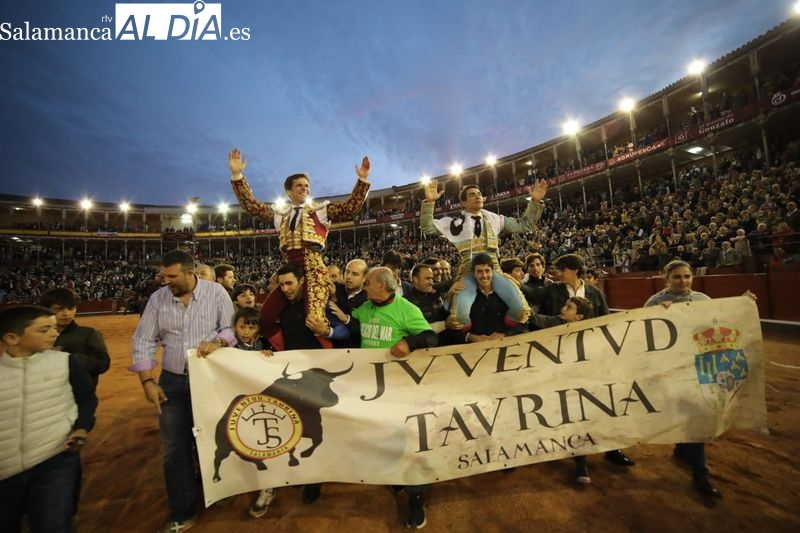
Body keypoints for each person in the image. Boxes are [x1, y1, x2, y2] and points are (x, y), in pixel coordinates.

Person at [130, 250, 236, 533]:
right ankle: (183, 509)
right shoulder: (157, 299)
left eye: (172, 276)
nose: (167, 282)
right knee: (174, 450)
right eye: (164, 276)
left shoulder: (216, 293)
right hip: (172, 382)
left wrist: (219, 342)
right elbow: (144, 339)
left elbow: (230, 329)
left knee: (216, 440)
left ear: (191, 273)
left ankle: (220, 490)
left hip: (211, 380)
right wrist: (147, 382)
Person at [228, 148, 370, 342]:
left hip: (314, 268)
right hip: (289, 270)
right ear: (288, 191)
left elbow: (351, 207)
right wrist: (237, 175)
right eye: (299, 186)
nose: (305, 189)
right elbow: (252, 206)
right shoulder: (280, 214)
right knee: (266, 318)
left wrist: (361, 181)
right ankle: (282, 352)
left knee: (316, 321)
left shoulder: (320, 211)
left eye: (306, 186)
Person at [643, 260, 757, 499]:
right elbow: (645, 335)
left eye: (687, 276)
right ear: (667, 279)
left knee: (695, 415)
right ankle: (700, 473)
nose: (683, 281)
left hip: (700, 368)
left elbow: (720, 322)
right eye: (677, 277)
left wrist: (742, 304)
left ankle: (686, 451)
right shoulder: (655, 302)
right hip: (673, 370)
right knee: (693, 416)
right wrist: (655, 315)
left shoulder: (703, 299)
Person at [528, 253, 635, 468]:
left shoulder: (594, 293)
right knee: (571, 404)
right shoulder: (554, 290)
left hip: (591, 355)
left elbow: (606, 322)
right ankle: (577, 454)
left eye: (563, 270)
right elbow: (531, 295)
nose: (558, 274)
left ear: (574, 270)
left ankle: (612, 448)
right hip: (562, 355)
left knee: (603, 402)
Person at [350, 267, 437, 528]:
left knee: (409, 442)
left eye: (368, 283)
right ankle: (399, 479)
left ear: (383, 286)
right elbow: (347, 324)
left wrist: (410, 343)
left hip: (402, 391)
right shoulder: (365, 308)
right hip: (373, 392)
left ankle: (416, 497)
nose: (364, 287)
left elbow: (431, 336)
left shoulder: (406, 308)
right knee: (385, 439)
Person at [0, 305, 97, 533]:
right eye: (44, 330)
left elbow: (86, 399)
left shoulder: (66, 362)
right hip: (5, 467)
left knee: (53, 525)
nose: (54, 334)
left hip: (55, 456)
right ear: (12, 338)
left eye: (53, 328)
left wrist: (81, 428)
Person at [260, 262, 348, 504]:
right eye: (281, 284)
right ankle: (305, 472)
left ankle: (316, 478)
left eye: (290, 283)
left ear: (302, 281)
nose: (286, 289)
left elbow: (344, 333)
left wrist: (327, 330)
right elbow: (272, 334)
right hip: (294, 378)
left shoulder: (318, 306)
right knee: (295, 425)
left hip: (318, 378)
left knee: (319, 427)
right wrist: (269, 351)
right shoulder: (283, 310)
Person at [420, 180, 547, 328]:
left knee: (520, 310)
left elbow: (524, 225)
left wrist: (536, 201)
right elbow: (427, 228)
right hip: (468, 271)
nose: (478, 197)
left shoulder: (495, 219)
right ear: (463, 203)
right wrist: (429, 202)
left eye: (479, 194)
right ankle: (471, 335)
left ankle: (504, 330)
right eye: (472, 195)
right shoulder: (454, 223)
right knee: (459, 316)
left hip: (493, 269)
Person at [200, 306, 274, 518]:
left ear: (258, 331)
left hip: (258, 406)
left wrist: (267, 356)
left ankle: (267, 487)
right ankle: (233, 482)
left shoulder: (262, 346)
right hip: (236, 406)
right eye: (242, 327)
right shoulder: (227, 351)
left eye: (251, 328)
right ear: (235, 328)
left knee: (263, 443)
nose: (246, 332)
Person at [529, 296, 597, 483]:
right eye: (565, 304)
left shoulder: (591, 333)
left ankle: (581, 462)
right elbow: (534, 318)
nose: (563, 308)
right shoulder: (556, 322)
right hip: (555, 382)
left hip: (578, 383)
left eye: (569, 307)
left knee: (578, 420)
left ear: (579, 317)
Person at [445, 253, 528, 345]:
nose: (484, 275)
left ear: (492, 272)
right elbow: (451, 329)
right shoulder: (463, 294)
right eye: (479, 271)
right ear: (474, 274)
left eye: (487, 271)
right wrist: (470, 337)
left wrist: (505, 335)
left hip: (504, 346)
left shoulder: (506, 295)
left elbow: (523, 324)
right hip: (473, 351)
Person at [39, 287, 111, 387]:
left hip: (79, 396)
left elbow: (103, 364)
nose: (66, 313)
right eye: (58, 309)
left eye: (71, 308)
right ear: (46, 310)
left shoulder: (89, 333)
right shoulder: (36, 336)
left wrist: (69, 358)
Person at [403, 263, 448, 332]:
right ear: (415, 279)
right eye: (427, 278)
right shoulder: (406, 302)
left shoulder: (436, 296)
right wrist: (445, 324)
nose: (431, 282)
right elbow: (416, 329)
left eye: (432, 278)